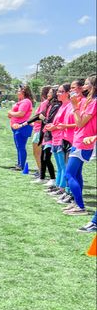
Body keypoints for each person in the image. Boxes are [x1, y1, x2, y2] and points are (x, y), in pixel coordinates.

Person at [62, 75, 96, 216]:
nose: (83, 87)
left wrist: (75, 107)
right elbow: (78, 122)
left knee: (69, 174)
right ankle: (77, 204)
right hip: (79, 139)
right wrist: (76, 105)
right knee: (76, 174)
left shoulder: (94, 102)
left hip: (83, 142)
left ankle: (80, 207)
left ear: (92, 86)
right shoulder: (88, 101)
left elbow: (80, 123)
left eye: (86, 84)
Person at [7, 85, 33, 170]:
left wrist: (10, 112)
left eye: (18, 91)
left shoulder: (26, 101)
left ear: (23, 92)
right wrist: (11, 114)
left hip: (22, 126)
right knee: (18, 146)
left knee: (21, 146)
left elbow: (21, 113)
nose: (17, 92)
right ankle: (19, 164)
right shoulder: (21, 101)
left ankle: (21, 165)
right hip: (17, 126)